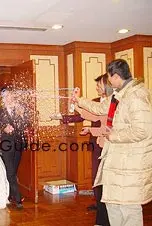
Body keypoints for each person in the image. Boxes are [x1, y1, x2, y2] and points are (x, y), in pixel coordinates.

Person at [75, 59, 152, 226]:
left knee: (128, 208)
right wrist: (79, 100)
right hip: (117, 160)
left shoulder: (137, 96)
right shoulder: (119, 95)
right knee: (112, 204)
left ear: (116, 76)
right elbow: (99, 109)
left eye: (109, 77)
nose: (109, 81)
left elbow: (143, 131)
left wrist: (113, 135)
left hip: (130, 163)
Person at [50, 74, 112, 226]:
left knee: (103, 180)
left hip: (108, 144)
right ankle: (100, 208)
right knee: (96, 178)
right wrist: (64, 114)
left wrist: (91, 129)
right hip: (97, 142)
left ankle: (104, 213)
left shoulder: (113, 103)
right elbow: (82, 115)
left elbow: (102, 123)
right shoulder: (96, 102)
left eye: (99, 85)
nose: (96, 88)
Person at [0, 87, 28, 209]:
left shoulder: (19, 109)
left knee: (13, 171)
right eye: (4, 96)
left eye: (9, 95)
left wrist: (22, 116)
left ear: (13, 96)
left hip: (19, 144)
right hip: (6, 144)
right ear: (2, 98)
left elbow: (27, 125)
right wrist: (2, 130)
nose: (7, 98)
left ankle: (11, 194)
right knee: (10, 171)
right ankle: (18, 198)